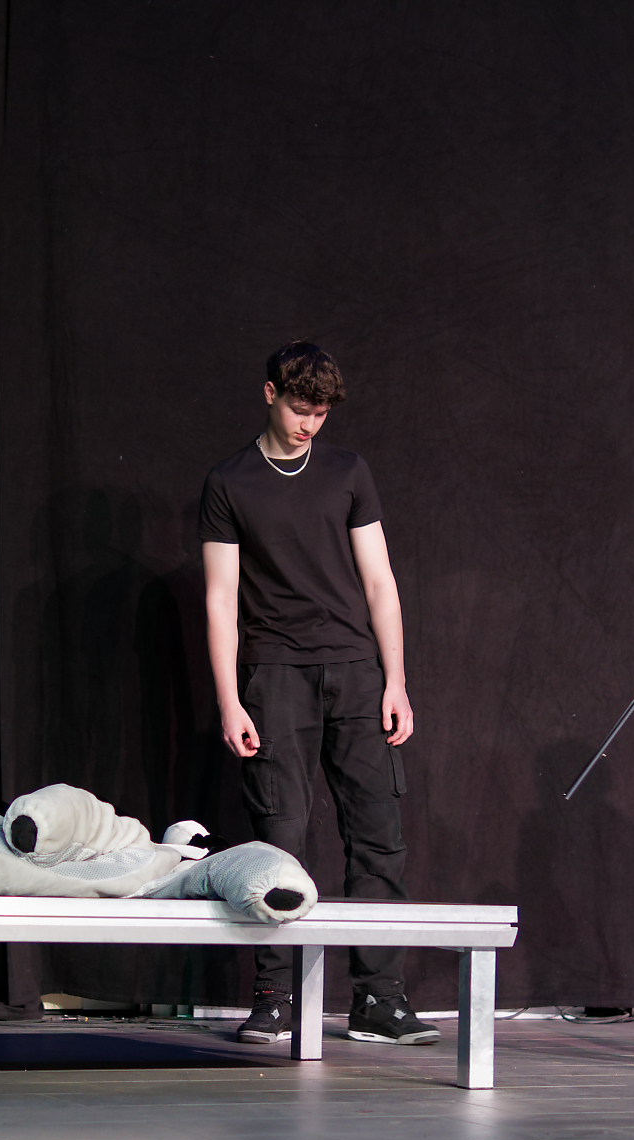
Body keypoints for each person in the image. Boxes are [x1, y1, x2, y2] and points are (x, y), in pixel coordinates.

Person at [200, 341, 436, 1046]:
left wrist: (396, 680)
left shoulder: (347, 471)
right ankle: (273, 996)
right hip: (275, 675)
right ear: (269, 393)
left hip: (356, 672)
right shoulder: (230, 481)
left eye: (322, 413)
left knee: (377, 835)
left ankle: (379, 999)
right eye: (300, 409)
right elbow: (220, 599)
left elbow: (380, 582)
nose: (310, 424)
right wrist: (229, 700)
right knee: (281, 837)